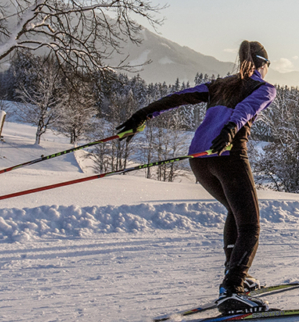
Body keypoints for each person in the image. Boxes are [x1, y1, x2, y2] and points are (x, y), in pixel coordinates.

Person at [115, 40, 277, 314]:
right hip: (228, 154)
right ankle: (231, 290)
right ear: (264, 64)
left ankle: (234, 274)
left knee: (234, 210)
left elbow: (179, 96)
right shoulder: (264, 88)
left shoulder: (220, 84)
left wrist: (142, 115)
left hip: (199, 160)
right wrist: (229, 130)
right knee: (250, 225)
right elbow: (245, 110)